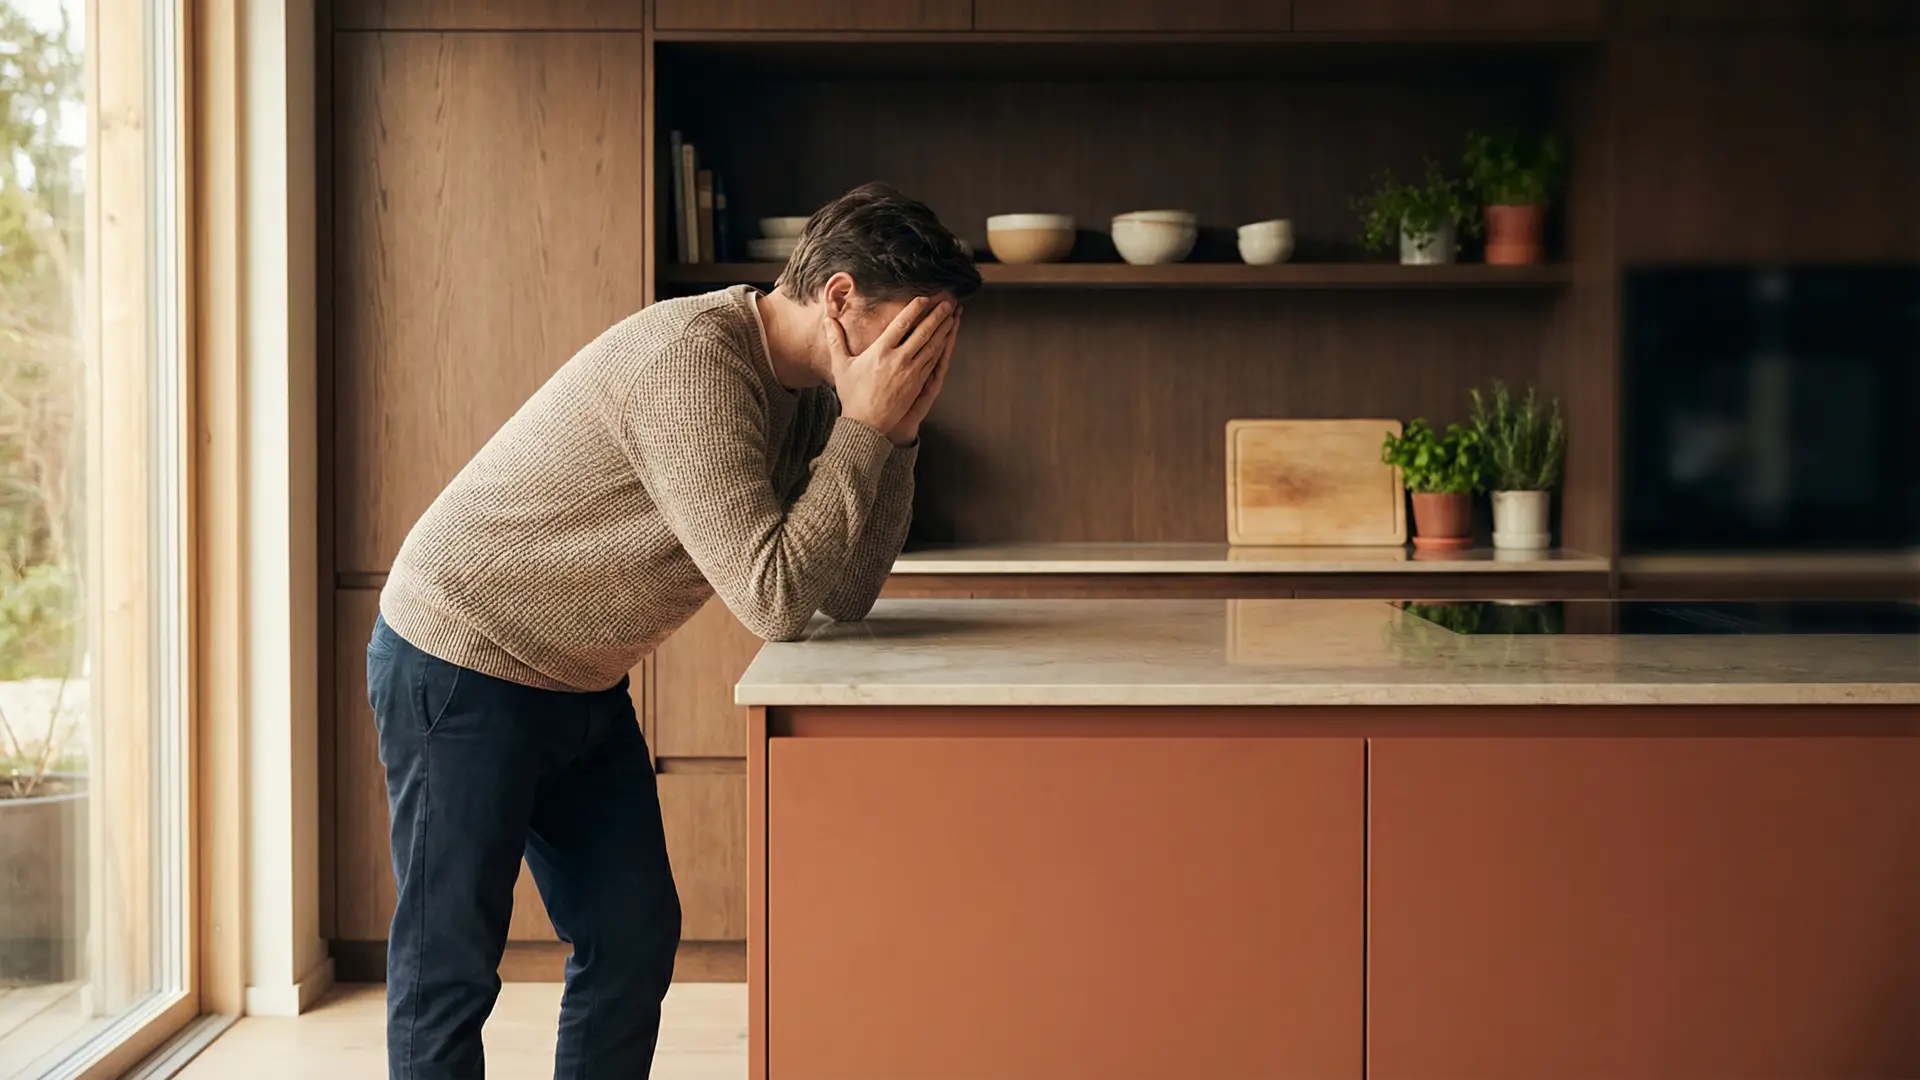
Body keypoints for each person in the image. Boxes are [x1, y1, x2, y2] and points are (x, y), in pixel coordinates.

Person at [365, 182, 980, 1079]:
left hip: (577, 681)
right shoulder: (694, 362)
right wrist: (867, 428)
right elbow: (771, 597)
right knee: (448, 964)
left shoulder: (812, 392)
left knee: (633, 936)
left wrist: (896, 435)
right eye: (914, 333)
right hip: (460, 658)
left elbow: (841, 592)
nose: (922, 359)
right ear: (841, 299)